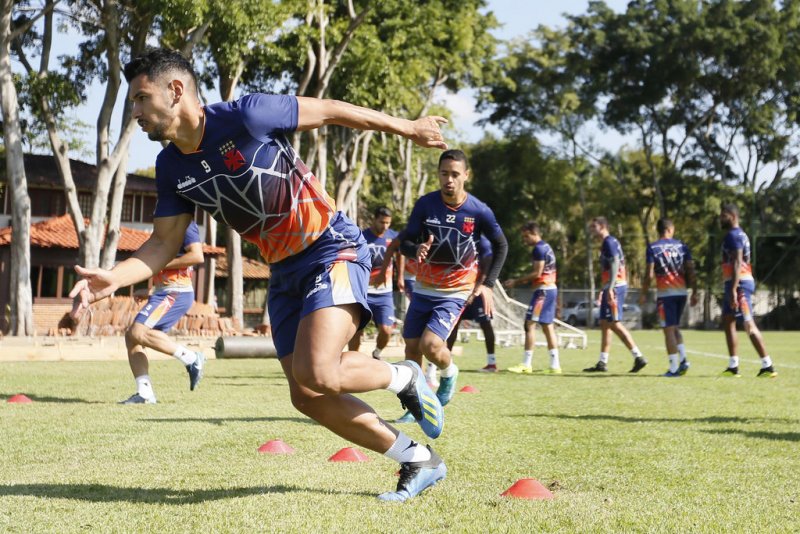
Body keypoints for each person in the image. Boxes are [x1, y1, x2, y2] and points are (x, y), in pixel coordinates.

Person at [69, 48, 449, 502]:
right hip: (283, 272)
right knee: (306, 396)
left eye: (140, 98)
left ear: (175, 91)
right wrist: (112, 277)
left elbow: (331, 111)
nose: (135, 113)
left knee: (321, 371)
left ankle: (404, 378)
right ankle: (418, 460)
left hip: (333, 247)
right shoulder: (171, 166)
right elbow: (162, 244)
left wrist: (408, 127)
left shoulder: (248, 115)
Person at [398, 149, 507, 411]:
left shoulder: (479, 211)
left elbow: (501, 245)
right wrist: (415, 250)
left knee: (431, 345)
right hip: (424, 287)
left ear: (466, 176)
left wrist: (488, 285)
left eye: (455, 174)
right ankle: (419, 406)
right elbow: (405, 242)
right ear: (438, 174)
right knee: (411, 348)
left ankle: (449, 373)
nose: (449, 179)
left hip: (456, 290)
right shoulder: (425, 204)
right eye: (444, 174)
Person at [121, 221, 205, 404]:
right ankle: (145, 393)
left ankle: (192, 359)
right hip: (164, 292)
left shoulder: (185, 224)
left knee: (137, 332)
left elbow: (197, 256)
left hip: (177, 291)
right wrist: (151, 291)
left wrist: (161, 264)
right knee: (132, 337)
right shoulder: (164, 228)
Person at [718, 204, 777, 378]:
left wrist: (735, 289)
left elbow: (737, 262)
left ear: (732, 216)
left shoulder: (734, 235)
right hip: (734, 283)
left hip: (740, 284)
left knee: (748, 325)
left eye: (723, 215)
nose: (720, 219)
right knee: (728, 321)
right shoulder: (737, 235)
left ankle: (768, 365)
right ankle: (733, 366)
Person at [583, 216, 648, 373]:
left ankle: (638, 357)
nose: (591, 230)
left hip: (616, 286)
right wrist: (604, 289)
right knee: (605, 323)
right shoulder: (606, 243)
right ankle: (602, 362)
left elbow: (615, 262)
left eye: (594, 226)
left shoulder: (609, 241)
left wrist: (611, 288)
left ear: (603, 226)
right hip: (611, 286)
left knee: (614, 323)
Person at [639, 218, 697, 377]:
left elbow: (649, 274)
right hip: (682, 293)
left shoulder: (653, 247)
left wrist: (643, 293)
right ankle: (684, 359)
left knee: (668, 330)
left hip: (666, 295)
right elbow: (691, 269)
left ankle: (673, 368)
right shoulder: (682, 246)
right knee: (675, 327)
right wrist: (695, 291)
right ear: (671, 229)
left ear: (659, 230)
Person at [347, 206, 403, 360]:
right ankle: (353, 360)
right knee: (357, 330)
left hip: (384, 293)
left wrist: (400, 277)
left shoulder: (393, 236)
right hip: (363, 292)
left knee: (386, 330)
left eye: (388, 223)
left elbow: (400, 254)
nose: (385, 226)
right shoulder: (362, 237)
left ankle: (377, 353)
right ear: (374, 220)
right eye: (382, 222)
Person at [504, 221, 560, 374]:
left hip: (543, 292)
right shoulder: (546, 246)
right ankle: (555, 365)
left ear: (534, 233)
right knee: (547, 327)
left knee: (529, 325)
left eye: (526, 236)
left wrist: (516, 281)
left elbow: (537, 273)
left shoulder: (539, 249)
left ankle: (526, 364)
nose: (525, 240)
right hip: (551, 289)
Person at [446, 235, 497, 373]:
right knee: (453, 324)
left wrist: (476, 290)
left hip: (479, 291)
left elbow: (486, 270)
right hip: (461, 290)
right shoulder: (460, 237)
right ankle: (446, 362)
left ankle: (492, 363)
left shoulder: (484, 242)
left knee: (485, 323)